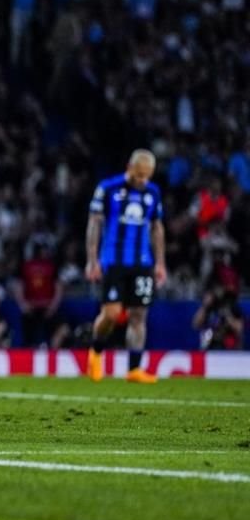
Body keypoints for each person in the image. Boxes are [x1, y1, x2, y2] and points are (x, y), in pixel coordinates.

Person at [84, 149, 166, 383]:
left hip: (142, 263)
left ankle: (134, 369)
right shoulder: (108, 188)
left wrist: (160, 262)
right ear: (129, 167)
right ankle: (96, 351)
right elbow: (94, 223)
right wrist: (92, 260)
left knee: (138, 315)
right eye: (139, 175)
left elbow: (157, 228)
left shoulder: (153, 192)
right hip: (113, 261)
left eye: (146, 176)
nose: (142, 180)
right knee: (111, 314)